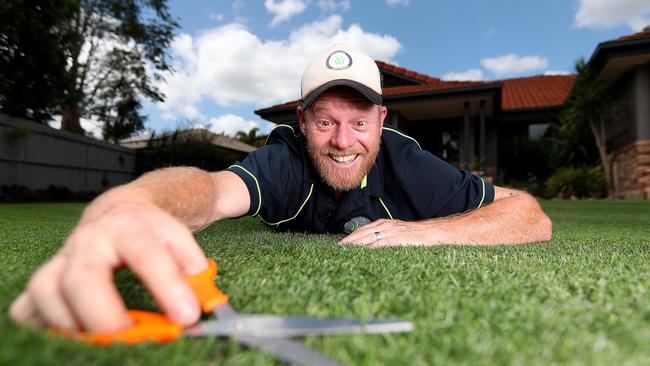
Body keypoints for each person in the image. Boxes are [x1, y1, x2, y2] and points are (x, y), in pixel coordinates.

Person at [9, 44, 552, 333]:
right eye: (325, 121)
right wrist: (130, 205)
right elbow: (211, 191)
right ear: (302, 119)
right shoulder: (288, 159)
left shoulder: (406, 159)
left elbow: (530, 215)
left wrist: (428, 232)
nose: (343, 140)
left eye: (360, 122)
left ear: (382, 120)